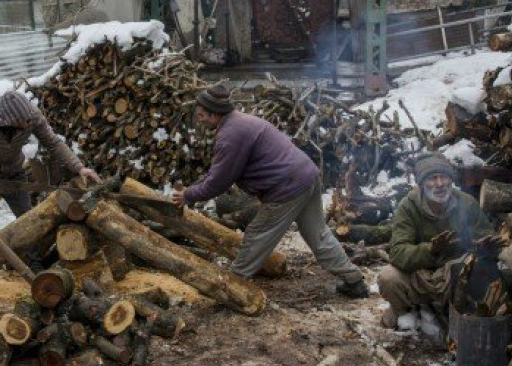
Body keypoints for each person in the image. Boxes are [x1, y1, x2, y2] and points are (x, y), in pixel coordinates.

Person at [170, 83, 369, 298]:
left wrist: (188, 195)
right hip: (306, 176)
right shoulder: (241, 122)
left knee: (256, 235)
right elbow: (218, 171)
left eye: (201, 115)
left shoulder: (230, 135)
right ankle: (353, 280)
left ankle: (231, 289)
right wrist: (191, 190)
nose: (199, 119)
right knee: (318, 234)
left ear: (214, 113)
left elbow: (219, 182)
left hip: (286, 187)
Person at [0, 91, 100, 258]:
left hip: (13, 173)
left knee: (28, 222)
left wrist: (79, 168)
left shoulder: (31, 115)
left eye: (28, 119)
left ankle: (31, 266)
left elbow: (54, 143)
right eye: (23, 121)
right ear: (6, 120)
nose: (28, 123)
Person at [378, 153, 494, 329]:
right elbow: (398, 253)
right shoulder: (408, 207)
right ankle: (408, 312)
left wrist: (484, 248)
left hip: (453, 274)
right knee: (388, 278)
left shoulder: (466, 203)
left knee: (478, 271)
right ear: (422, 183)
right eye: (432, 178)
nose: (439, 184)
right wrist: (430, 250)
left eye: (444, 177)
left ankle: (456, 315)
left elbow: (485, 238)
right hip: (419, 275)